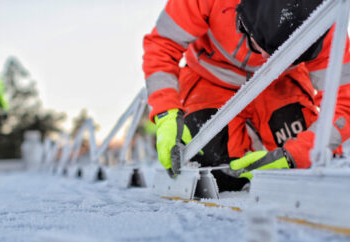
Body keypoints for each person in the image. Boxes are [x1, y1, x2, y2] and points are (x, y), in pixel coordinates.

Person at [142, 0, 350, 191]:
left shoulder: (326, 21)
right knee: (220, 173)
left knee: (298, 169)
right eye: (267, 45)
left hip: (280, 84)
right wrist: (166, 113)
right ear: (244, 21)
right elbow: (162, 46)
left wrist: (298, 154)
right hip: (210, 80)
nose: (268, 58)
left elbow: (344, 104)